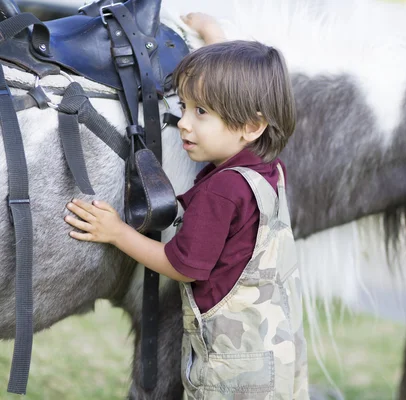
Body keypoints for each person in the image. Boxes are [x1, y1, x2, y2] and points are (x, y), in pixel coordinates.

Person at [64, 13, 308, 399]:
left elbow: (180, 265)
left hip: (229, 371)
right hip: (273, 351)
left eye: (200, 112)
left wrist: (116, 233)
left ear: (251, 126)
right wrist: (215, 38)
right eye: (185, 105)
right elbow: (235, 100)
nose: (183, 123)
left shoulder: (222, 192)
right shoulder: (268, 171)